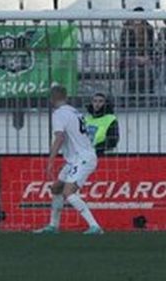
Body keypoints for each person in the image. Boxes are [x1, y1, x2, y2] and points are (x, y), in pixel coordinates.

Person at [33, 84, 102, 234]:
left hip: (83, 158)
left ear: (52, 99)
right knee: (57, 188)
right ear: (66, 97)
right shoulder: (74, 112)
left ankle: (94, 226)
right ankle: (53, 226)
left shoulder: (59, 114)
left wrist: (50, 161)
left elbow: (59, 137)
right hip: (76, 158)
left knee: (68, 193)